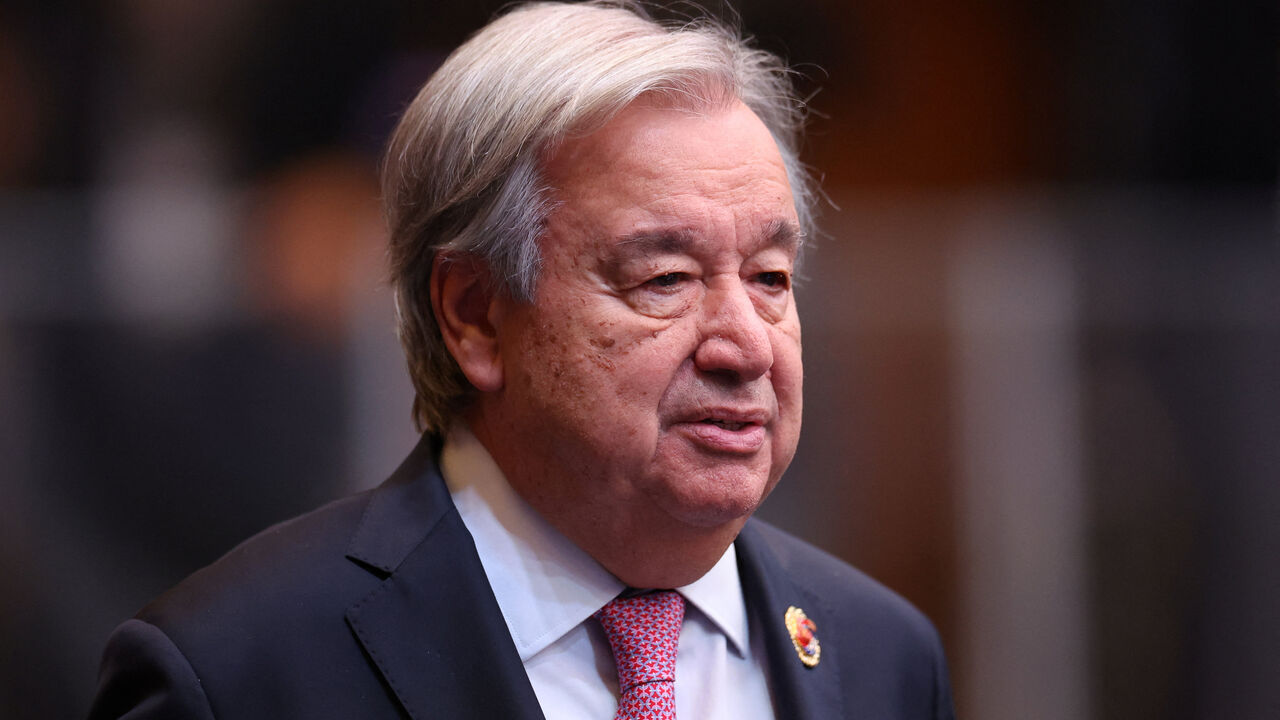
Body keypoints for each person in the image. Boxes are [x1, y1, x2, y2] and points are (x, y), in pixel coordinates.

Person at [89, 2, 955, 718]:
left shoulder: (884, 659)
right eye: (664, 279)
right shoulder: (236, 673)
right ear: (474, 315)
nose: (748, 345)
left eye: (770, 278)